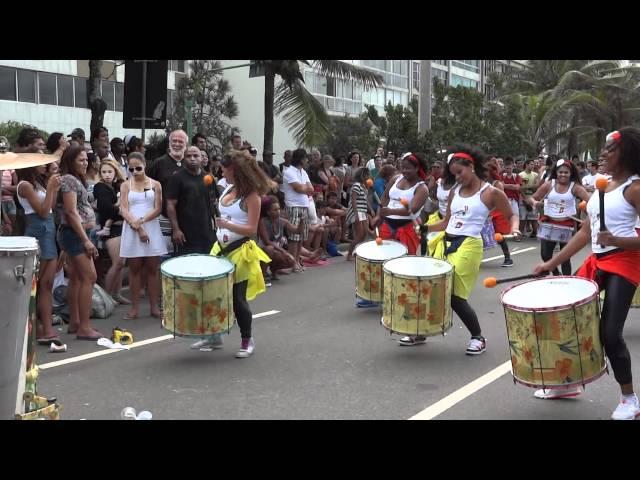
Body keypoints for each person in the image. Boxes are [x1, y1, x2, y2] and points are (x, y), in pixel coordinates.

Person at [532, 128, 640, 420]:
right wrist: (549, 263)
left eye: (610, 149)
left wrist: (616, 240)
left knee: (610, 333)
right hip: (599, 259)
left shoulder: (635, 188)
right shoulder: (603, 188)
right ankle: (567, 384)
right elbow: (585, 233)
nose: (604, 154)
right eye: (604, 149)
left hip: (625, 262)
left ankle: (630, 399)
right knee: (566, 319)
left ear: (627, 153)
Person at [412, 146, 520, 352]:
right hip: (446, 243)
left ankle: (478, 337)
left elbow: (511, 215)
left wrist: (515, 229)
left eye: (460, 173)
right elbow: (446, 222)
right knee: (433, 287)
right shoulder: (455, 192)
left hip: (469, 244)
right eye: (454, 175)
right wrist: (425, 227)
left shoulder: (491, 193)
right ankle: (421, 331)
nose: (458, 178)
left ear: (471, 166)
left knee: (454, 295)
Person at [194, 149, 272, 357]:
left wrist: (227, 224)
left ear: (236, 171)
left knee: (238, 299)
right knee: (211, 294)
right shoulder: (227, 188)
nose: (222, 172)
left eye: (225, 170)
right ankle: (214, 335)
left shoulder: (252, 196)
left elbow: (252, 230)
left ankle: (247, 340)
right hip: (219, 248)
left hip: (240, 251)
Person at [56, 145, 102, 340]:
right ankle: (84, 326)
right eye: (80, 160)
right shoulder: (68, 180)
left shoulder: (76, 179)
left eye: (86, 160)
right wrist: (86, 240)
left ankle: (75, 321)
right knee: (89, 277)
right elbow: (71, 212)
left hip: (80, 232)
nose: (85, 163)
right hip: (76, 234)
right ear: (70, 161)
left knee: (75, 277)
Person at [16, 156, 62, 344]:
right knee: (36, 284)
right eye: (42, 161)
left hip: (48, 229)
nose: (45, 164)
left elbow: (50, 207)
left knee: (47, 283)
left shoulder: (39, 183)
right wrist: (51, 187)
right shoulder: (25, 185)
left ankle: (45, 327)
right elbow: (42, 212)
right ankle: (35, 327)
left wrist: (52, 188)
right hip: (38, 229)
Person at [119, 152, 166, 320]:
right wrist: (137, 226)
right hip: (132, 228)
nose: (135, 172)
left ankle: (154, 306)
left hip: (150, 225)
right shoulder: (125, 185)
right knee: (135, 269)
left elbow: (158, 208)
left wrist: (142, 221)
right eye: (131, 169)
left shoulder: (155, 185)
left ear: (145, 165)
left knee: (153, 268)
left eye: (138, 168)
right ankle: (134, 308)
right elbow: (123, 208)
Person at [526, 159, 590, 276]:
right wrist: (535, 203)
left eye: (566, 172)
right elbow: (531, 198)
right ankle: (556, 274)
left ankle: (566, 280)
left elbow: (591, 202)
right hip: (548, 222)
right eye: (560, 172)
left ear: (571, 173)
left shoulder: (575, 187)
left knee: (565, 257)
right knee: (545, 255)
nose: (563, 175)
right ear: (556, 172)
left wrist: (588, 219)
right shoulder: (549, 184)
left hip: (567, 225)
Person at [166, 146, 215, 255]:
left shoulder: (208, 178)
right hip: (185, 234)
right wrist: (176, 229)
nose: (192, 159)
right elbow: (170, 205)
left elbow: (213, 202)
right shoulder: (177, 177)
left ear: (201, 158)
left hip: (206, 232)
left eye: (196, 156)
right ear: (184, 158)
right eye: (189, 156)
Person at [378, 153, 430, 256]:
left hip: (408, 227)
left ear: (416, 168)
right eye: (403, 168)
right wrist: (380, 213)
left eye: (408, 168)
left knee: (406, 261)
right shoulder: (396, 178)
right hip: (387, 225)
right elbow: (385, 196)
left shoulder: (422, 188)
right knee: (385, 258)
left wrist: (390, 211)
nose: (404, 171)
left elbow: (411, 210)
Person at [93, 159, 130, 304]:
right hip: (112, 229)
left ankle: (117, 293)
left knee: (121, 263)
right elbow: (106, 208)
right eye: (104, 172)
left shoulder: (114, 186)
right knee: (118, 262)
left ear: (115, 172)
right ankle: (107, 296)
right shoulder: (101, 187)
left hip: (120, 226)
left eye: (110, 171)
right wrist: (120, 211)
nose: (107, 175)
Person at [282, 148, 314, 272]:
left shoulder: (303, 172)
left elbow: (310, 189)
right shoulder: (289, 171)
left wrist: (304, 187)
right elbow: (298, 188)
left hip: (304, 205)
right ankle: (292, 262)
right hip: (293, 206)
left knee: (301, 236)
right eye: (306, 158)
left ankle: (297, 260)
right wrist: (305, 187)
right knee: (293, 237)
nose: (307, 161)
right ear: (301, 159)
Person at [258, 195, 299, 280]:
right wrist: (284, 252)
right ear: (268, 212)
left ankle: (274, 272)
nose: (278, 211)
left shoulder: (282, 221)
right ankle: (262, 275)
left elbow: (296, 230)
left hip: (275, 250)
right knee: (269, 249)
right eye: (275, 210)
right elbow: (267, 242)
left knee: (291, 261)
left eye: (279, 209)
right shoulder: (262, 221)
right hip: (261, 251)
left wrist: (302, 220)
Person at [345, 168, 373, 261]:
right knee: (359, 235)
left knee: (364, 234)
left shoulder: (364, 187)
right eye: (367, 175)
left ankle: (357, 253)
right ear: (363, 175)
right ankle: (349, 254)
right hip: (356, 211)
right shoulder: (356, 185)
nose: (369, 177)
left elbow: (365, 200)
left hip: (363, 211)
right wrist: (356, 214)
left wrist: (371, 210)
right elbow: (353, 200)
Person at [518, 158, 539, 237]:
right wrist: (525, 198)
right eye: (531, 164)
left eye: (533, 164)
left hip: (533, 198)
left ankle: (535, 232)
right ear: (526, 165)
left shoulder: (535, 175)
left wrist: (526, 187)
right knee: (522, 217)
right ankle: (520, 233)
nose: (533, 166)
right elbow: (520, 188)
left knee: (534, 217)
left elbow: (536, 186)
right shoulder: (520, 175)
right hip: (522, 198)